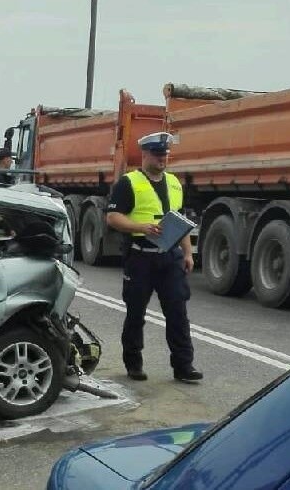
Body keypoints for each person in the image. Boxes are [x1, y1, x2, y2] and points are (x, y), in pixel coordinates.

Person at [106, 131, 203, 384]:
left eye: (166, 155)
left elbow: (179, 221)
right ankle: (133, 363)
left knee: (178, 313)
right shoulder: (128, 183)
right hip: (140, 258)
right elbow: (113, 218)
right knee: (136, 313)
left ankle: (184, 366)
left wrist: (188, 252)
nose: (163, 159)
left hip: (170, 258)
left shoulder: (174, 182)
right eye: (158, 155)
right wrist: (141, 227)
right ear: (145, 154)